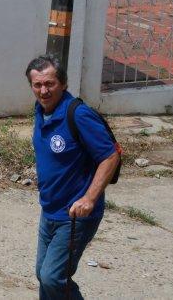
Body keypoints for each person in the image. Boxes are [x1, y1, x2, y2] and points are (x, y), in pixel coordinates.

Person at [26, 54, 119, 299]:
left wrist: (89, 198)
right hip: (50, 210)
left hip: (75, 215)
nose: (43, 91)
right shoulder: (41, 110)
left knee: (53, 277)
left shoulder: (77, 114)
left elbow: (110, 156)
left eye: (49, 84)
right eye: (37, 85)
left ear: (63, 84)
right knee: (42, 274)